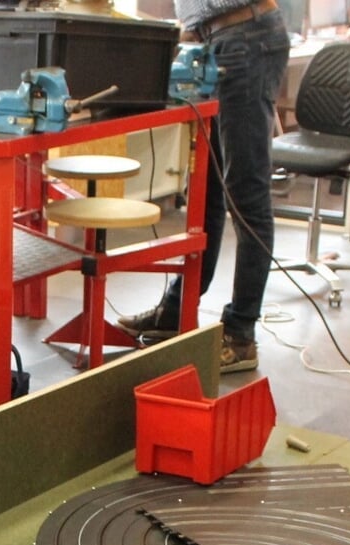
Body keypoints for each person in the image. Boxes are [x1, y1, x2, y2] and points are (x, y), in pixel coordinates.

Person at [118, 0, 291, 374]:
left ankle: (241, 334)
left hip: (247, 37)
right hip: (219, 39)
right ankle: (176, 311)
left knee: (246, 194)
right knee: (207, 190)